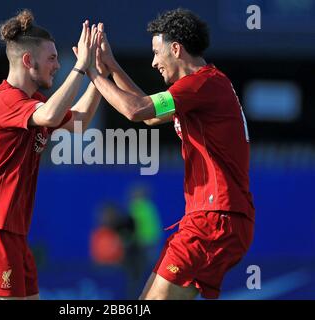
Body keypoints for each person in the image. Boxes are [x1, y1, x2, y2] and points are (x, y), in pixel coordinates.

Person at [88, 9, 255, 299]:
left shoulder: (203, 83)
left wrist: (90, 71)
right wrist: (111, 66)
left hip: (214, 218)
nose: (154, 63)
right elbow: (148, 116)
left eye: (156, 52)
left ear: (176, 49)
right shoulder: (202, 88)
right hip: (212, 218)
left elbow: (135, 109)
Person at [0, 9, 103, 300]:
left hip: (14, 233)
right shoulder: (4, 99)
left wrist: (97, 75)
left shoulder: (34, 102)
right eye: (51, 59)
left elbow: (79, 121)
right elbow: (50, 115)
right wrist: (79, 68)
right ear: (28, 60)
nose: (57, 65)